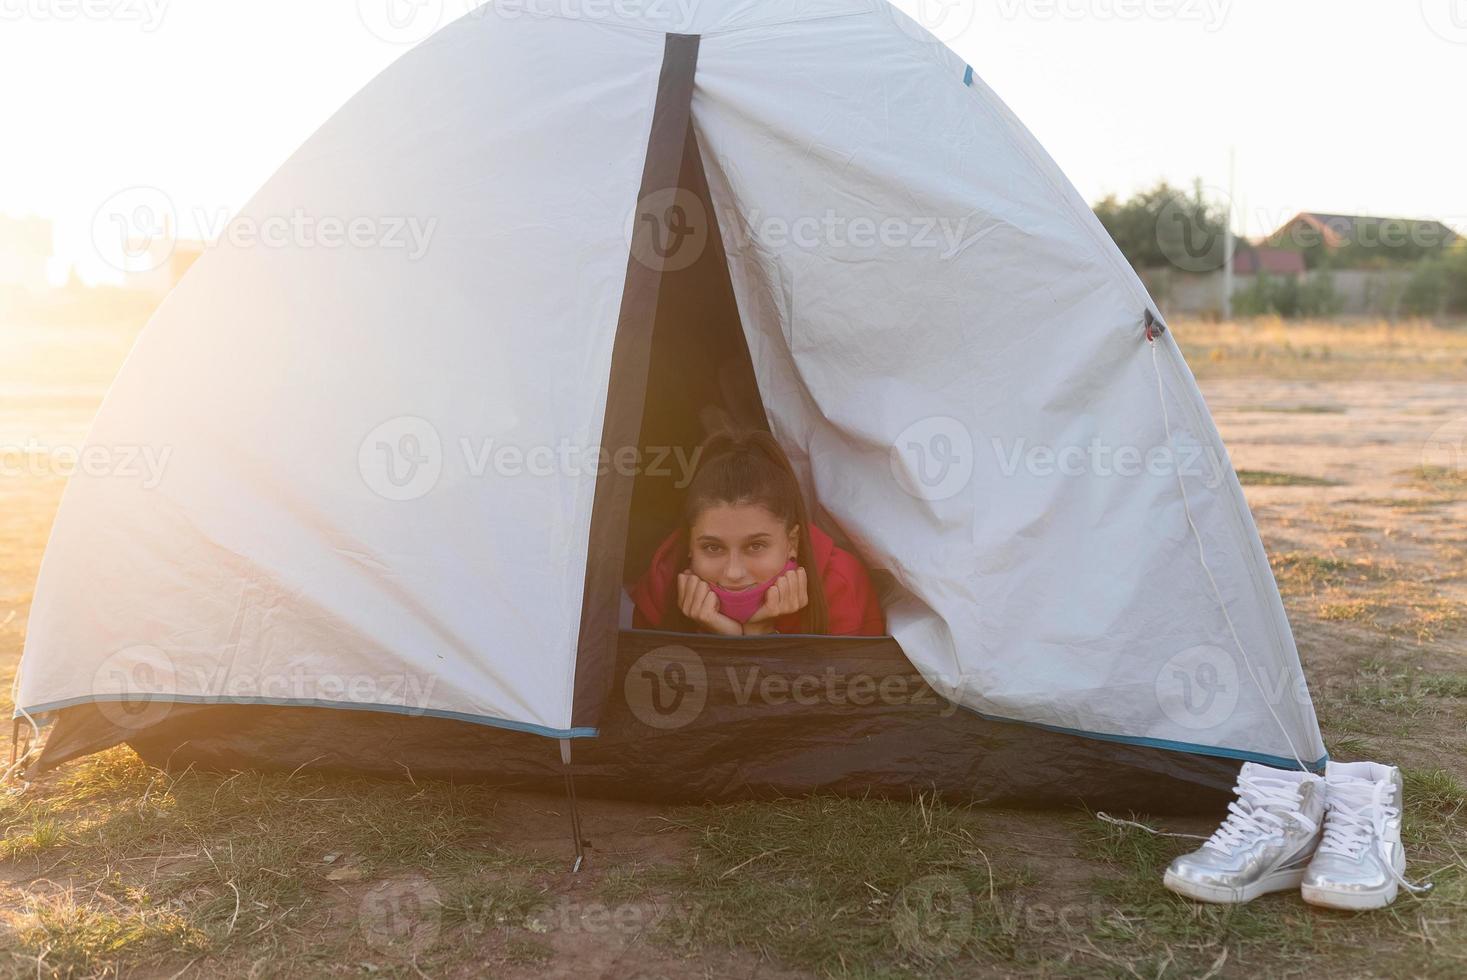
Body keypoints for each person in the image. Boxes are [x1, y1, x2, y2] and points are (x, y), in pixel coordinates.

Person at [629, 424, 886, 637]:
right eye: (712, 547)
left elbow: (851, 696)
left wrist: (761, 636)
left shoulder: (838, 585)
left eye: (756, 546)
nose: (734, 572)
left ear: (792, 543)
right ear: (689, 548)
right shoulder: (660, 590)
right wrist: (716, 640)